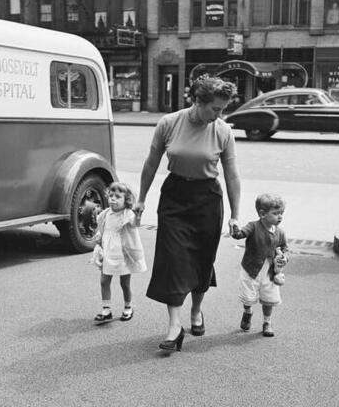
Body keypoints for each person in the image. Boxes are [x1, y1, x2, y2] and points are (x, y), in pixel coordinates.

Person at [133, 75, 241, 352]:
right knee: (173, 259)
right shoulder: (169, 123)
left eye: (223, 109)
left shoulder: (222, 131)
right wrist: (141, 198)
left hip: (207, 199)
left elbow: (231, 175)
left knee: (202, 258)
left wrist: (235, 214)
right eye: (215, 108)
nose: (219, 115)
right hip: (175, 197)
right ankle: (174, 326)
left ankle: (196, 310)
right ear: (198, 101)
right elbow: (151, 163)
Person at [231, 193, 288, 337]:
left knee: (269, 299)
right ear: (262, 214)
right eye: (276, 213)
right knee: (248, 297)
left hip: (270, 272)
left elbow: (284, 248)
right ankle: (248, 311)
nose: (280, 217)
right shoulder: (253, 226)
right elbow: (240, 234)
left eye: (281, 213)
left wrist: (284, 257)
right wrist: (235, 228)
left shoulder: (280, 233)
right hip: (251, 269)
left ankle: (267, 322)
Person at [92, 182, 147, 323]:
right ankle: (106, 310)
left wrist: (138, 215)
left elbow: (135, 224)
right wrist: (99, 238)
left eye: (117, 197)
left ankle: (128, 307)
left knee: (125, 283)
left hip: (123, 254)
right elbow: (102, 228)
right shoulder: (105, 214)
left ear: (126, 200)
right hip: (108, 253)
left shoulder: (127, 214)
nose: (113, 199)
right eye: (111, 195)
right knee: (104, 281)